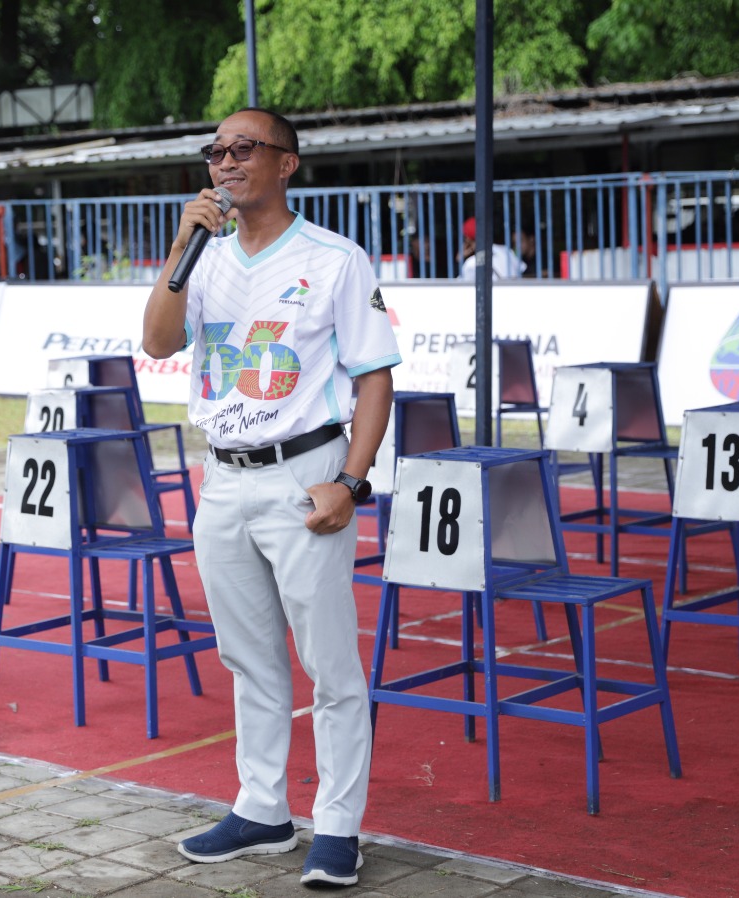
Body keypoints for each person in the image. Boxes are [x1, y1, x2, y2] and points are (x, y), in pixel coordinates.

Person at [141, 107, 400, 888]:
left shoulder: (335, 259)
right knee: (249, 659)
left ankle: (339, 826)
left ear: (286, 165)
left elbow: (375, 376)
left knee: (330, 666)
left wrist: (350, 484)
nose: (226, 162)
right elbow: (157, 343)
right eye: (216, 150)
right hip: (222, 478)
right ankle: (261, 810)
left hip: (302, 476)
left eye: (244, 148)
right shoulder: (204, 256)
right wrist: (179, 251)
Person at [457, 216, 526, 279]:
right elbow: (522, 269)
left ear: (468, 239)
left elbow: (459, 285)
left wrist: (459, 261)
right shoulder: (505, 250)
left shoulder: (472, 263)